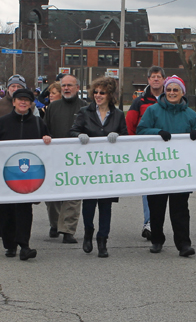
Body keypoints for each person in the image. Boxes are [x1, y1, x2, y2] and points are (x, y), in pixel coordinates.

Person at [137, 75, 196, 257]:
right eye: (169, 89)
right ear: (165, 91)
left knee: (180, 209)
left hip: (180, 169)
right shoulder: (153, 111)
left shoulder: (190, 114)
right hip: (157, 168)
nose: (172, 93)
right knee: (156, 207)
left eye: (176, 90)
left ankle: (184, 244)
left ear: (182, 92)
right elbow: (141, 130)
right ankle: (157, 239)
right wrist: (157, 132)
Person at [0, 89, 52, 261]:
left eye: (27, 100)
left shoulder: (38, 123)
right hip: (5, 175)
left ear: (31, 104)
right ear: (14, 102)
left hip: (27, 176)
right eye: (20, 100)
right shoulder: (2, 123)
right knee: (4, 211)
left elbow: (46, 146)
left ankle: (24, 245)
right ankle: (10, 244)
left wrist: (47, 140)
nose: (23, 103)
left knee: (24, 210)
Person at [69, 77, 127, 257]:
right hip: (89, 166)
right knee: (89, 204)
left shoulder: (118, 114)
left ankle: (103, 240)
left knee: (106, 206)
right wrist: (79, 136)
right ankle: (88, 233)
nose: (98, 95)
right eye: (96, 92)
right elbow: (73, 131)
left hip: (109, 168)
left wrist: (117, 136)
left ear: (110, 95)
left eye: (102, 92)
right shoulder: (85, 112)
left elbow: (126, 137)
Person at [43, 74, 88, 243]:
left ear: (77, 88)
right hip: (55, 157)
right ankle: (55, 224)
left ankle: (68, 230)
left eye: (70, 85)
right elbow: (44, 129)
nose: (67, 88)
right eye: (64, 86)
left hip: (78, 159)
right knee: (52, 196)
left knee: (73, 196)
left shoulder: (85, 108)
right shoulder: (53, 108)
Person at [125, 66, 166, 240]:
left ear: (164, 79)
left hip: (168, 151)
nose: (156, 79)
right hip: (146, 151)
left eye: (159, 76)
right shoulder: (139, 101)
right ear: (148, 80)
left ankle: (161, 223)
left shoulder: (172, 97)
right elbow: (130, 125)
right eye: (153, 77)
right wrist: (133, 147)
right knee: (149, 187)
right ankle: (149, 222)